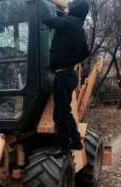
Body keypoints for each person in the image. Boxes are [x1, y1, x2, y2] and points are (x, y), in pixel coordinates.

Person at [43, 0, 91, 151]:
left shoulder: (68, 22)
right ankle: (76, 141)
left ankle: (64, 148)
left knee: (60, 114)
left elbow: (48, 21)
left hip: (63, 75)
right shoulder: (79, 28)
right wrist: (71, 60)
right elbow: (86, 53)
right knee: (65, 111)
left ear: (75, 9)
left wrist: (40, 10)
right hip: (69, 74)